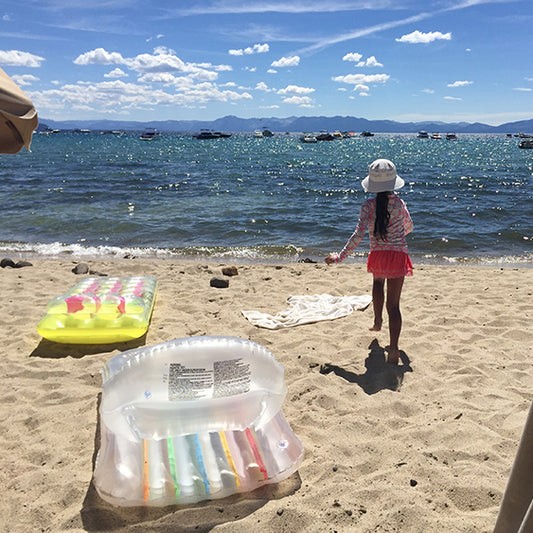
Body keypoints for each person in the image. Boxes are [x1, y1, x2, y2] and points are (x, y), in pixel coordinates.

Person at [325, 158, 413, 364]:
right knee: (395, 306)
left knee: (377, 283)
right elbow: (409, 226)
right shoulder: (400, 204)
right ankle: (394, 349)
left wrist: (339, 257)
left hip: (379, 255)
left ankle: (377, 320)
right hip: (398, 255)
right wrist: (397, 237)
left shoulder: (367, 206)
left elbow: (357, 235)